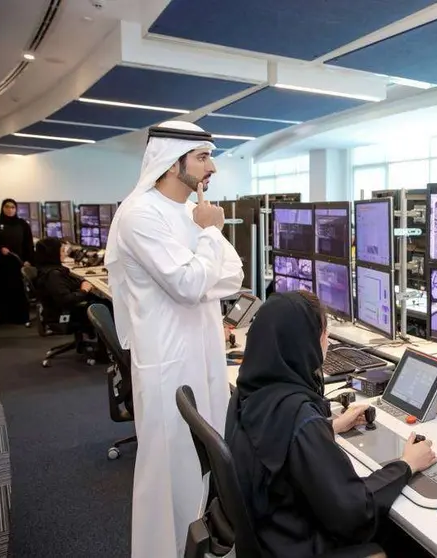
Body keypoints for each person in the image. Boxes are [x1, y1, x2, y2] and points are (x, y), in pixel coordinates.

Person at [105, 121, 244, 558]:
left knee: (210, 470)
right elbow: (187, 284)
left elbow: (234, 276)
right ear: (172, 161)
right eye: (202, 157)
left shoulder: (191, 213)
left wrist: (202, 259)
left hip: (203, 353)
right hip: (168, 363)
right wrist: (210, 235)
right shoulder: (139, 215)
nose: (212, 167)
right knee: (171, 479)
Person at [226, 291, 437, 558]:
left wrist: (329, 427)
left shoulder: (248, 390)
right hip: (300, 546)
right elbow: (353, 513)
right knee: (403, 535)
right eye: (325, 334)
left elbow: (275, 446)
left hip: (271, 536)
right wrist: (407, 464)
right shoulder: (299, 418)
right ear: (305, 343)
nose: (327, 342)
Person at [33, 237, 106, 328]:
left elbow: (68, 284)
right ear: (53, 254)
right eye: (62, 251)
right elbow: (66, 300)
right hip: (64, 316)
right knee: (105, 305)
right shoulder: (53, 275)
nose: (65, 255)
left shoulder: (47, 269)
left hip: (56, 312)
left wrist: (82, 282)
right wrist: (84, 291)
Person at [0, 199, 33, 326]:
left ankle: (21, 318)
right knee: (2, 291)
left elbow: (28, 244)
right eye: (7, 207)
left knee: (19, 291)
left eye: (12, 207)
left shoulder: (22, 224)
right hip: (1, 265)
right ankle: (4, 318)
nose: (10, 210)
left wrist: (28, 260)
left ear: (16, 209)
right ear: (2, 208)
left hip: (18, 264)